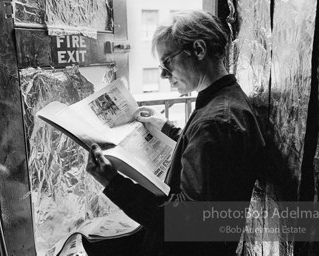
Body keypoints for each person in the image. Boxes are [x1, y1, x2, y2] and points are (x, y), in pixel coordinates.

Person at [86, 10, 265, 255]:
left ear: (199, 49)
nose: (162, 74)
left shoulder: (216, 122)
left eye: (167, 61)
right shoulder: (224, 102)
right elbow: (208, 158)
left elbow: (189, 222)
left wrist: (115, 184)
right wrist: (167, 130)